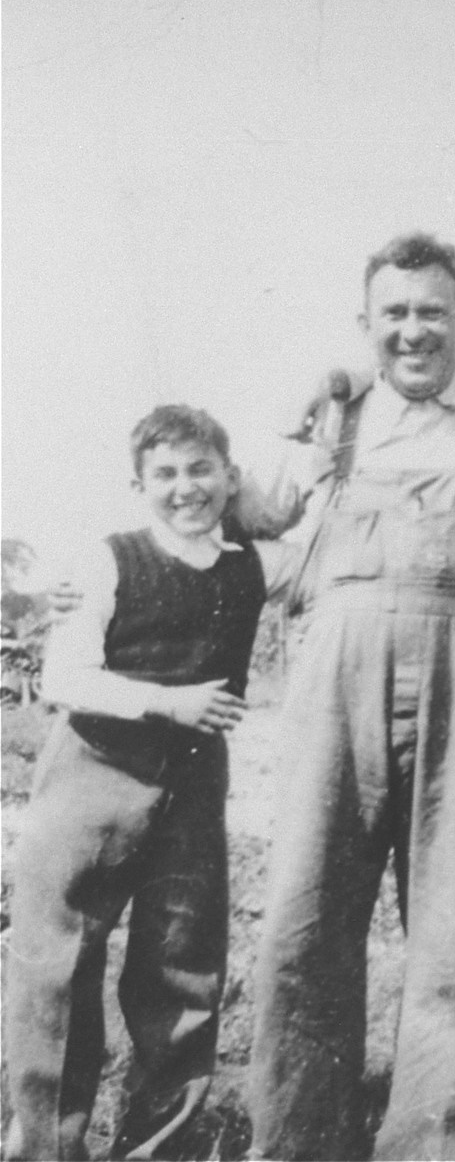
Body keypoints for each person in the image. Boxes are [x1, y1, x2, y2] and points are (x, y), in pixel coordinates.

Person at [243, 233, 455, 1161]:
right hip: (337, 681)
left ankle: (430, 1139)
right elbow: (247, 513)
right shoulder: (331, 424)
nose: (413, 333)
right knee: (306, 904)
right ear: (365, 324)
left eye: (433, 314)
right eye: (394, 315)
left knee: (453, 918)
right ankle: (298, 1137)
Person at [4, 406, 297, 1162]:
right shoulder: (110, 558)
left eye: (202, 469)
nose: (185, 488)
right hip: (94, 772)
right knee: (57, 969)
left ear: (231, 479)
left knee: (183, 971)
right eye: (164, 474)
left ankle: (161, 1148)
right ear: (138, 484)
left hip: (194, 785)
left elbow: (321, 504)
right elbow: (68, 675)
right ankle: (46, 1148)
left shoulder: (258, 564)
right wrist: (168, 700)